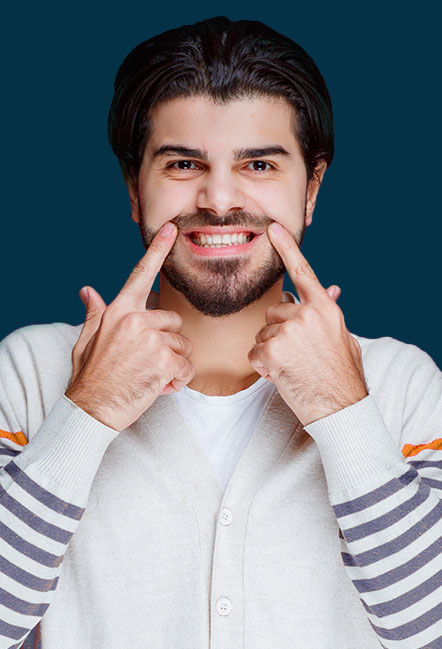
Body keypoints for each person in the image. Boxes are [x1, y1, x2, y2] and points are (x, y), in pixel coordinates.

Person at [0, 16, 441, 649]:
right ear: (134, 188)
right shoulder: (32, 371)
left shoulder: (402, 386)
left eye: (259, 163)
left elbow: (431, 630)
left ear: (311, 190)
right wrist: (88, 409)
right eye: (183, 164)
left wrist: (344, 409)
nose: (219, 198)